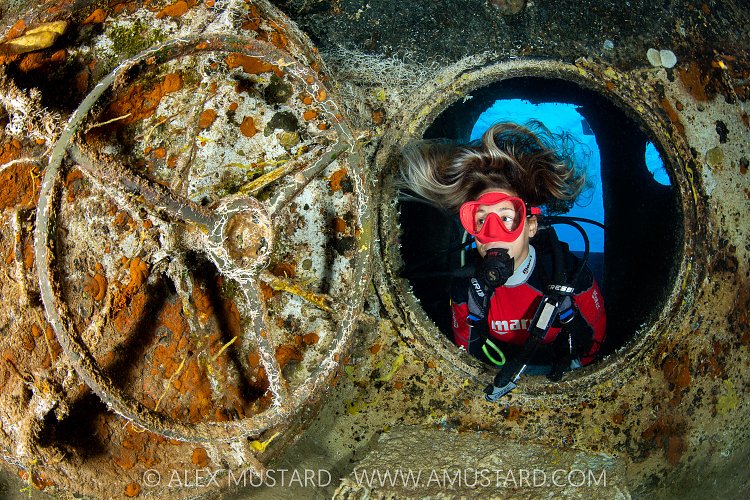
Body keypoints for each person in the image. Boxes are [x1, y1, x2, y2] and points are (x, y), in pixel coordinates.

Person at [401, 121, 606, 398]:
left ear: (530, 226)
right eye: (481, 219)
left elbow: (594, 344)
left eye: (507, 218)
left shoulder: (569, 276)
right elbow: (465, 357)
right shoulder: (468, 290)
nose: (493, 234)